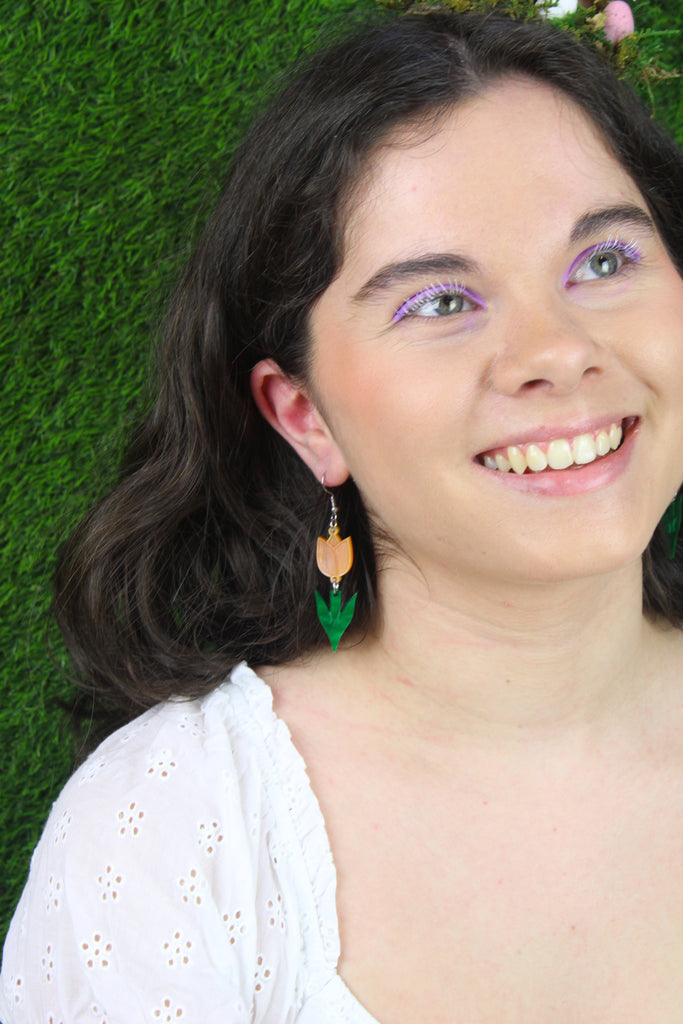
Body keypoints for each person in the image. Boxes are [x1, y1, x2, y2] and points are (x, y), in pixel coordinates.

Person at [3, 5, 683, 1021]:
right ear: (303, 414)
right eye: (439, 303)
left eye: (601, 261)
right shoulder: (172, 837)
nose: (555, 350)